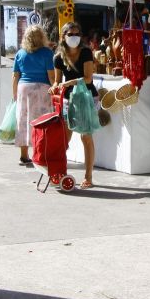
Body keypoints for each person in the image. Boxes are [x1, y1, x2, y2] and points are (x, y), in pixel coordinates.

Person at [51, 22, 98, 189]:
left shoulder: (86, 52)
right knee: (65, 139)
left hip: (86, 97)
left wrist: (69, 82)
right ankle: (59, 171)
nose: (74, 37)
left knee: (86, 136)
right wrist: (54, 86)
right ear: (63, 37)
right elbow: (57, 80)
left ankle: (88, 176)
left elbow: (88, 78)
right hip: (68, 99)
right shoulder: (58, 57)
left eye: (77, 33)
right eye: (70, 34)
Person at [13, 25, 55, 167]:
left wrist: (15, 95)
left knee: (23, 121)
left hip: (23, 89)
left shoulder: (20, 53)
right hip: (42, 89)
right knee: (42, 122)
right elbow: (51, 75)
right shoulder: (47, 53)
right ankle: (40, 154)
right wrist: (56, 89)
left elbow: (15, 76)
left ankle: (24, 156)